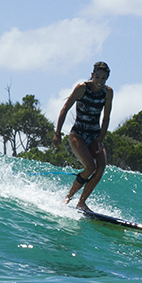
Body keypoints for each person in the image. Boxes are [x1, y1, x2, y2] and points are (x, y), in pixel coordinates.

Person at [52, 61, 113, 210]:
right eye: (97, 77)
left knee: (100, 169)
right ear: (92, 75)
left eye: (103, 78)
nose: (100, 81)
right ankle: (68, 197)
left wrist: (100, 140)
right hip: (78, 133)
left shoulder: (108, 92)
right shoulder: (82, 88)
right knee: (90, 167)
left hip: (94, 136)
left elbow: (106, 118)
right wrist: (57, 133)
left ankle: (82, 203)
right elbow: (65, 108)